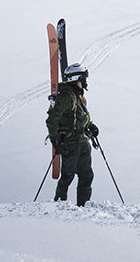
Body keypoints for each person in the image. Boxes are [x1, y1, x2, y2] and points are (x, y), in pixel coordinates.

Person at [46, 63, 100, 206]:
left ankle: (83, 207)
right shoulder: (67, 97)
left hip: (83, 142)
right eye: (84, 78)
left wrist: (90, 125)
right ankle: (59, 205)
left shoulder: (78, 96)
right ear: (77, 78)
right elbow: (52, 120)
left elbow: (79, 117)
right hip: (71, 144)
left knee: (86, 176)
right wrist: (55, 140)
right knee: (67, 176)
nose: (86, 81)